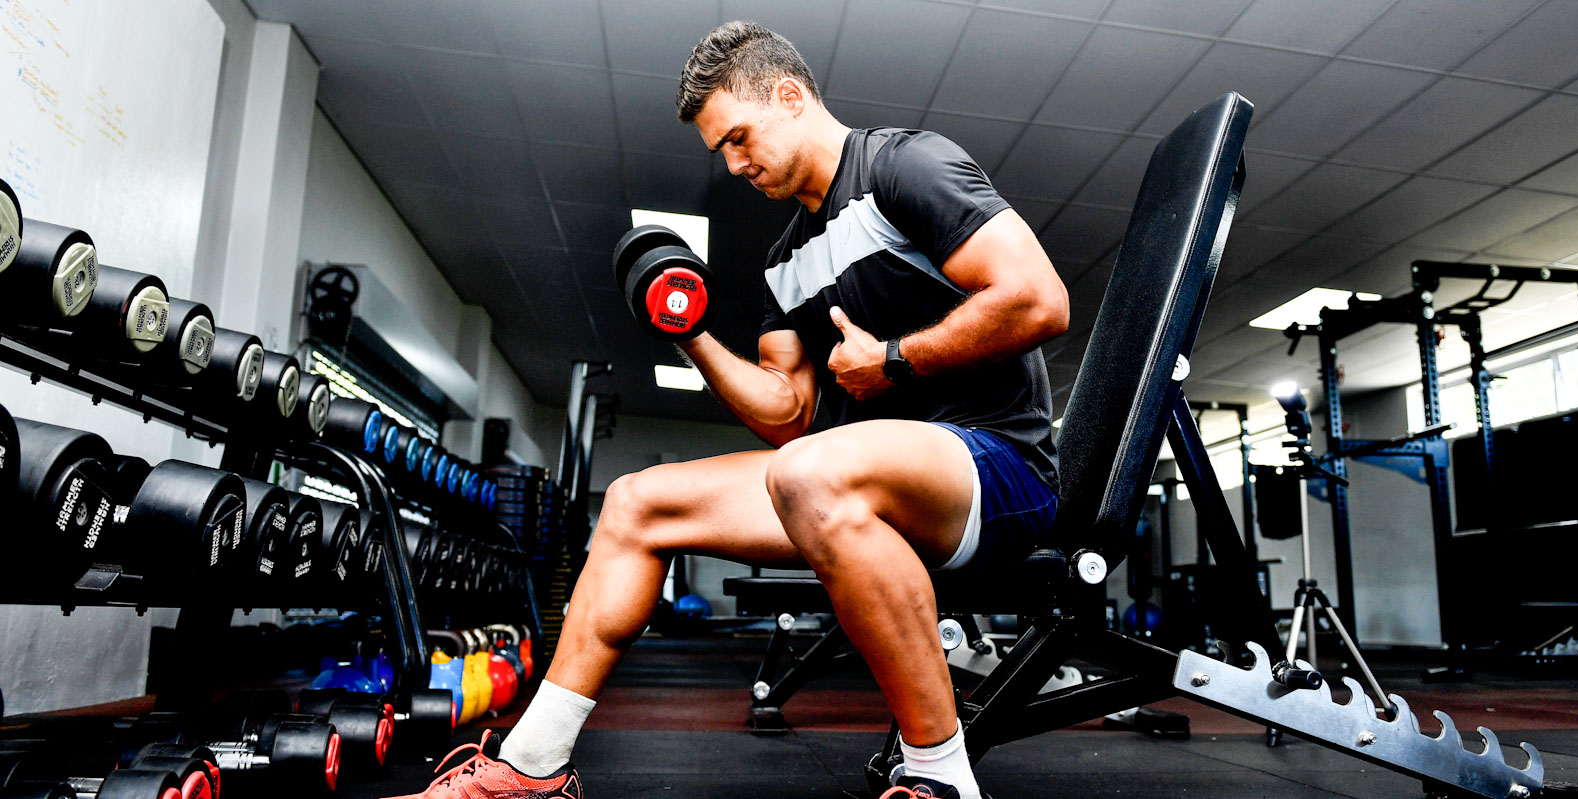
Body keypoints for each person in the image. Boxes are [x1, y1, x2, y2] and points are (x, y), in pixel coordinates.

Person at [386, 20, 1068, 799]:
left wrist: (893, 359)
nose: (736, 164)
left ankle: (943, 780)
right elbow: (788, 414)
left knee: (811, 473)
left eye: (739, 138)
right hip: (861, 481)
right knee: (637, 503)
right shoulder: (784, 263)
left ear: (789, 96)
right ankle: (531, 768)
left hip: (999, 469)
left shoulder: (902, 167)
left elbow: (1040, 299)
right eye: (722, 151)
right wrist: (689, 333)